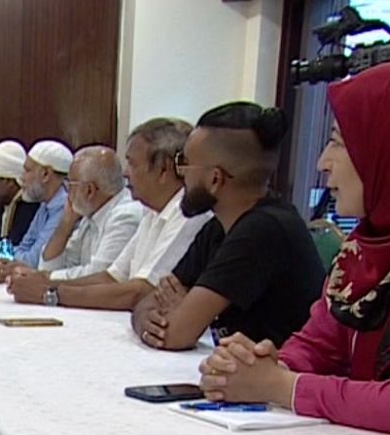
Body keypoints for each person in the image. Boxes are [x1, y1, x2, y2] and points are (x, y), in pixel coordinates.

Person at [200, 61, 390, 435]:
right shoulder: (374, 240)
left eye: (339, 141)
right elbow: (320, 345)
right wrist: (256, 366)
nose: (322, 163)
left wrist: (280, 386)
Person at [133, 103, 323, 350]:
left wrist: (178, 311)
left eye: (185, 163)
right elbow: (148, 301)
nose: (181, 175)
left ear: (215, 179)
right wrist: (143, 316)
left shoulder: (262, 231)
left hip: (278, 380)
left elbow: (175, 335)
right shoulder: (218, 226)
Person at [9, 118, 208, 310]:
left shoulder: (188, 214)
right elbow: (111, 277)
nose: (125, 173)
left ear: (163, 170)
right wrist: (44, 280)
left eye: (132, 164)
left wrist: (49, 292)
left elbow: (142, 291)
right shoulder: (152, 212)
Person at [28, 145, 142, 281]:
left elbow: (99, 276)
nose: (67, 192)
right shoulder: (90, 213)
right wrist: (65, 224)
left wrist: (47, 278)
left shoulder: (125, 216)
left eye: (70, 184)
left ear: (89, 190)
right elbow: (49, 265)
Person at [9, 139, 73, 268]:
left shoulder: (65, 207)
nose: (22, 178)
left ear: (45, 174)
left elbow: (33, 262)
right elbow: (24, 246)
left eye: (27, 171)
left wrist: (9, 257)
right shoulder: (45, 204)